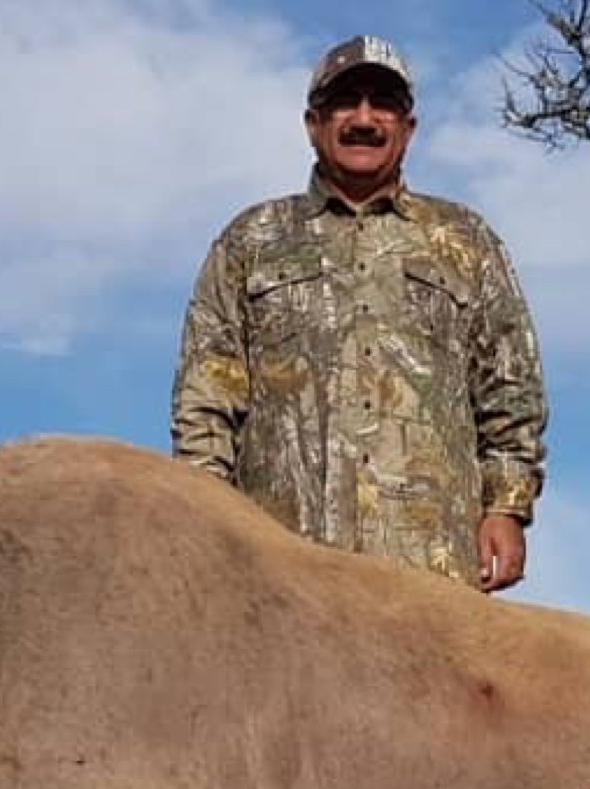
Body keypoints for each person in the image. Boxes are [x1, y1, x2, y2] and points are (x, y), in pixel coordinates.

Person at [171, 36, 547, 590]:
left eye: (384, 103)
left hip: (432, 569)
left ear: (408, 127)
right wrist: (205, 522)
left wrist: (507, 507)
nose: (365, 118)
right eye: (346, 101)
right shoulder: (251, 240)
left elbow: (511, 389)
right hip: (280, 568)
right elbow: (206, 398)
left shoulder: (465, 241)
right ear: (314, 123)